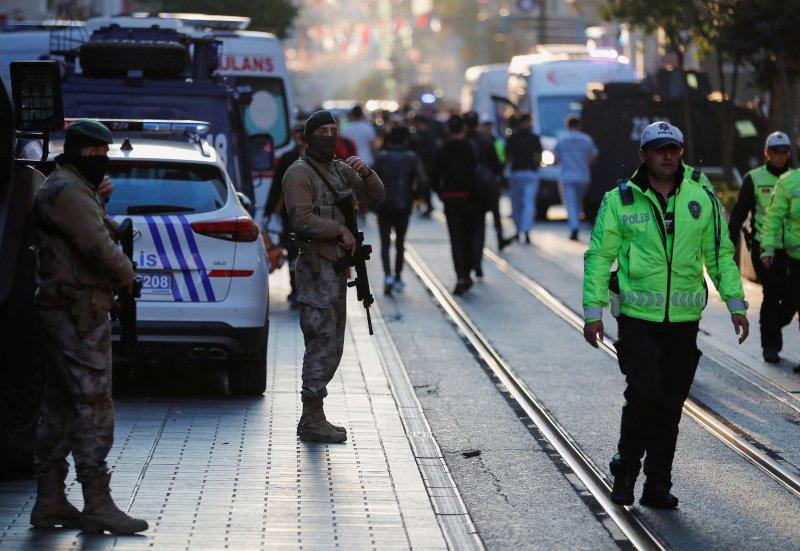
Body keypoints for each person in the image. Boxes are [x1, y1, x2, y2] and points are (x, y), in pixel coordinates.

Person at [583, 121, 749, 508]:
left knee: (670, 404)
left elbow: (719, 255)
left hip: (682, 323)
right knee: (644, 394)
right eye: (659, 149)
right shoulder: (620, 200)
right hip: (638, 319)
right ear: (644, 155)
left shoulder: (701, 196)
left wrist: (736, 305)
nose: (668, 156)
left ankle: (657, 484)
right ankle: (625, 471)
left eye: (673, 149)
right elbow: (599, 258)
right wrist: (593, 313)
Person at [32, 119, 147, 534]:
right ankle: (96, 502)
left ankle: (50, 500)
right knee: (94, 404)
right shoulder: (68, 191)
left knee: (60, 404)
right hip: (75, 312)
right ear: (78, 152)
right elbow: (98, 245)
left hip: (67, 307)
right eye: (95, 155)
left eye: (105, 155)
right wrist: (128, 276)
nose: (101, 161)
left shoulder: (70, 186)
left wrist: (97, 200)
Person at [282, 110, 384, 443]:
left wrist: (365, 172)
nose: (328, 136)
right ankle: (311, 417)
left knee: (335, 342)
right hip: (316, 267)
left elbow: (378, 195)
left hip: (337, 267)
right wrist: (338, 229)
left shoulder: (340, 170)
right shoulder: (299, 174)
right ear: (308, 137)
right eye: (321, 131)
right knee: (321, 338)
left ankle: (314, 415)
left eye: (333, 130)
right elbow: (301, 220)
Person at [729, 131, 797, 364]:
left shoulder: (794, 179)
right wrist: (728, 244)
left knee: (792, 298)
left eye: (784, 152)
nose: (780, 157)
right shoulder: (754, 179)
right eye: (775, 152)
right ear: (767, 153)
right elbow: (739, 213)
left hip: (790, 248)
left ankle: (772, 326)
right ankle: (771, 346)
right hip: (764, 248)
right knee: (772, 293)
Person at [373, 126, 426, 295]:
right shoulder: (412, 157)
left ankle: (387, 275)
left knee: (384, 242)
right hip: (404, 204)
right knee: (400, 241)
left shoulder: (381, 157)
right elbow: (423, 180)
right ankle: (398, 276)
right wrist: (416, 196)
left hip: (384, 205)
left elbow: (371, 180)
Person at [431, 115, 480, 295]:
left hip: (451, 199)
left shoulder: (442, 150)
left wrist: (442, 194)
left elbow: (433, 177)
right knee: (468, 237)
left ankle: (460, 275)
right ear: (464, 129)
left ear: (448, 130)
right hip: (470, 198)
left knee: (456, 238)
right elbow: (477, 172)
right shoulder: (470, 148)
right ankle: (467, 273)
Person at [759, 155, 800, 373]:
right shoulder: (789, 182)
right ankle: (771, 338)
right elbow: (773, 217)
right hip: (795, 259)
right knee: (788, 301)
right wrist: (768, 247)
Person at [465, 111, 512, 278]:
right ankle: (477, 261)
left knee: (465, 229)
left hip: (463, 192)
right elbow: (497, 165)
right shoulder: (486, 141)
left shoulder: (461, 141)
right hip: (482, 190)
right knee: (479, 226)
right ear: (478, 124)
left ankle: (466, 265)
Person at [265, 120, 306, 307]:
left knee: (301, 251)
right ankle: (296, 289)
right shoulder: (288, 157)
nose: (299, 137)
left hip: (308, 213)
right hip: (291, 213)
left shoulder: (319, 158)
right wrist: (268, 211)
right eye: (297, 133)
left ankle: (301, 289)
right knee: (292, 251)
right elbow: (277, 186)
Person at [555, 115, 598, 241]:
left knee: (570, 203)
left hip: (567, 176)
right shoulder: (587, 139)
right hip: (583, 176)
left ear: (568, 126)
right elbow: (594, 155)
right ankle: (577, 222)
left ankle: (574, 227)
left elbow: (556, 157)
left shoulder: (562, 139)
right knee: (578, 202)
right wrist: (584, 164)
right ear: (579, 125)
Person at [505, 113, 542, 243]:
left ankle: (519, 228)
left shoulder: (512, 138)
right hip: (530, 173)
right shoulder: (534, 138)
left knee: (517, 203)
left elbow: (507, 156)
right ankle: (525, 229)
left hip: (516, 173)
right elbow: (539, 156)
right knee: (528, 203)